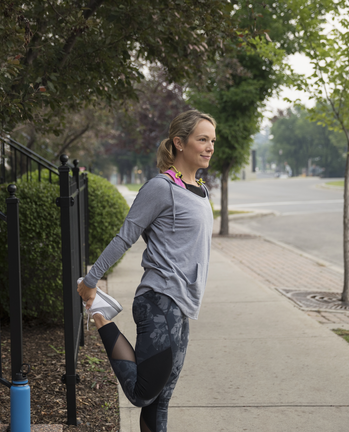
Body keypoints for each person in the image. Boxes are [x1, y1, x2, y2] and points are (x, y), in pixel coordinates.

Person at [77, 110, 216, 432]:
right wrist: (91, 281)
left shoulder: (199, 188)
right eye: (202, 139)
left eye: (212, 141)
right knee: (143, 394)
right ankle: (100, 316)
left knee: (161, 400)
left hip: (182, 304)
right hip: (159, 299)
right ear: (179, 143)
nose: (209, 147)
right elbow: (126, 235)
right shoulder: (161, 187)